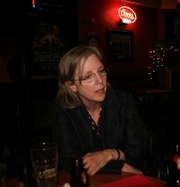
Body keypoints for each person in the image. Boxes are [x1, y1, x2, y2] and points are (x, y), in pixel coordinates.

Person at [49, 45, 151, 176]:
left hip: (130, 177)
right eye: (88, 76)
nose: (100, 81)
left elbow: (140, 148)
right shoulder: (62, 109)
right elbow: (68, 161)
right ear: (72, 86)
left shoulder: (123, 100)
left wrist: (110, 154)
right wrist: (116, 166)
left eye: (101, 71)